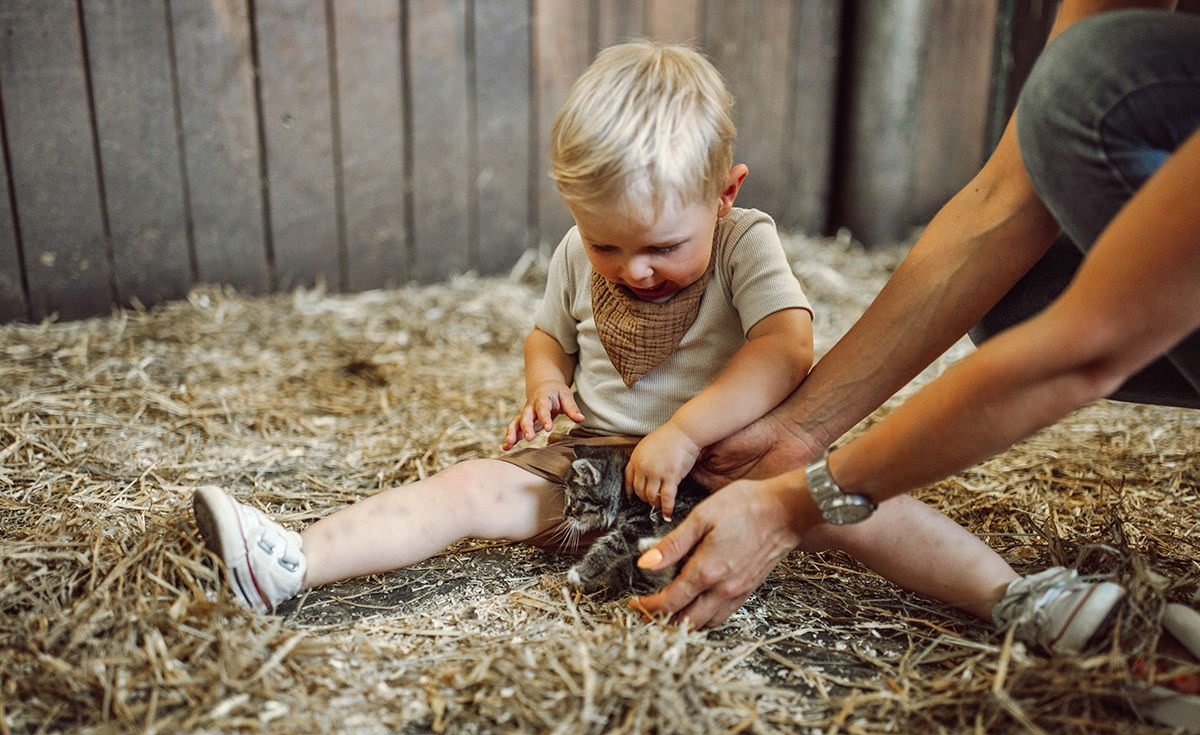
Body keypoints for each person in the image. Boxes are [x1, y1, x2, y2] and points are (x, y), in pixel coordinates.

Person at [192, 41, 1120, 656]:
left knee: (865, 504)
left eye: (661, 246)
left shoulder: (744, 242)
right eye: (606, 245)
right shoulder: (579, 253)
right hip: (598, 460)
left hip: (734, 464)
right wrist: (544, 385)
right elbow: (547, 333)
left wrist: (685, 429)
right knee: (471, 487)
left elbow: (787, 350)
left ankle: (1018, 600)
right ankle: (295, 562)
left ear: (724, 193)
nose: (632, 270)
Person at [632, 1, 1199, 649]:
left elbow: (1086, 347)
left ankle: (1018, 596)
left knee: (1091, 79)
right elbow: (1007, 200)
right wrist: (798, 430)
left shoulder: (746, 243)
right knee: (1020, 286)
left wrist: (794, 503)